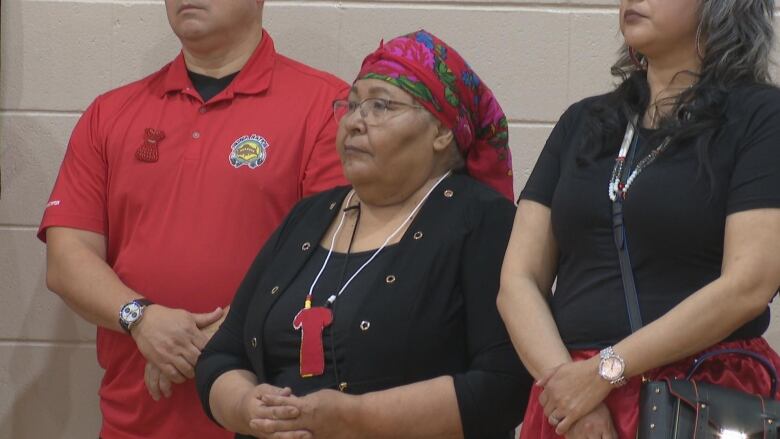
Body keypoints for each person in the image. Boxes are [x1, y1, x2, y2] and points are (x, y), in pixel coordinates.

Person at [195, 30, 530, 439]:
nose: (354, 122)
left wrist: (354, 418)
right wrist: (250, 409)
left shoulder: (482, 220)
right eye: (351, 106)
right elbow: (222, 355)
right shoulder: (309, 215)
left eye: (380, 106)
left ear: (443, 131)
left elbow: (504, 386)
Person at [39, 1, 348, 437]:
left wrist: (208, 342)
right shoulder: (109, 114)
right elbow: (66, 260)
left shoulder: (326, 109)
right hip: (135, 418)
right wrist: (141, 319)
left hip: (267, 416)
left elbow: (340, 260)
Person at [497, 0, 780, 437]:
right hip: (570, 400)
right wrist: (569, 393)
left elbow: (748, 285)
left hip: (699, 395)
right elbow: (517, 280)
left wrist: (604, 372)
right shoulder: (582, 122)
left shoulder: (761, 116)